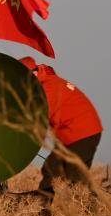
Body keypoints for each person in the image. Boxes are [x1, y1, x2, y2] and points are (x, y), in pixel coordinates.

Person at [20, 57, 103, 198]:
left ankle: (91, 213)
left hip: (80, 134)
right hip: (78, 133)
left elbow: (41, 115)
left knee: (74, 178)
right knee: (51, 168)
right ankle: (42, 206)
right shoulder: (47, 82)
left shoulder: (48, 87)